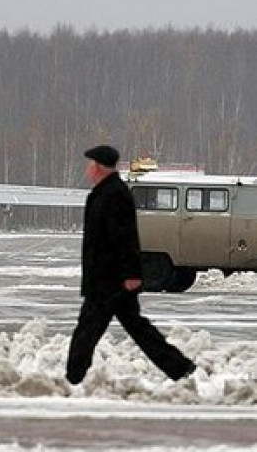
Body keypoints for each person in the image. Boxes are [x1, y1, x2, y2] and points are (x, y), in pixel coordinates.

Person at [66, 145, 196, 385]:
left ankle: (73, 377)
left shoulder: (114, 194)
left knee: (89, 328)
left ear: (99, 167)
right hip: (106, 278)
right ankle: (180, 367)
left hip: (111, 279)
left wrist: (132, 274)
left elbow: (125, 237)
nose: (87, 169)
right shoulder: (104, 192)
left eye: (90, 164)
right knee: (132, 327)